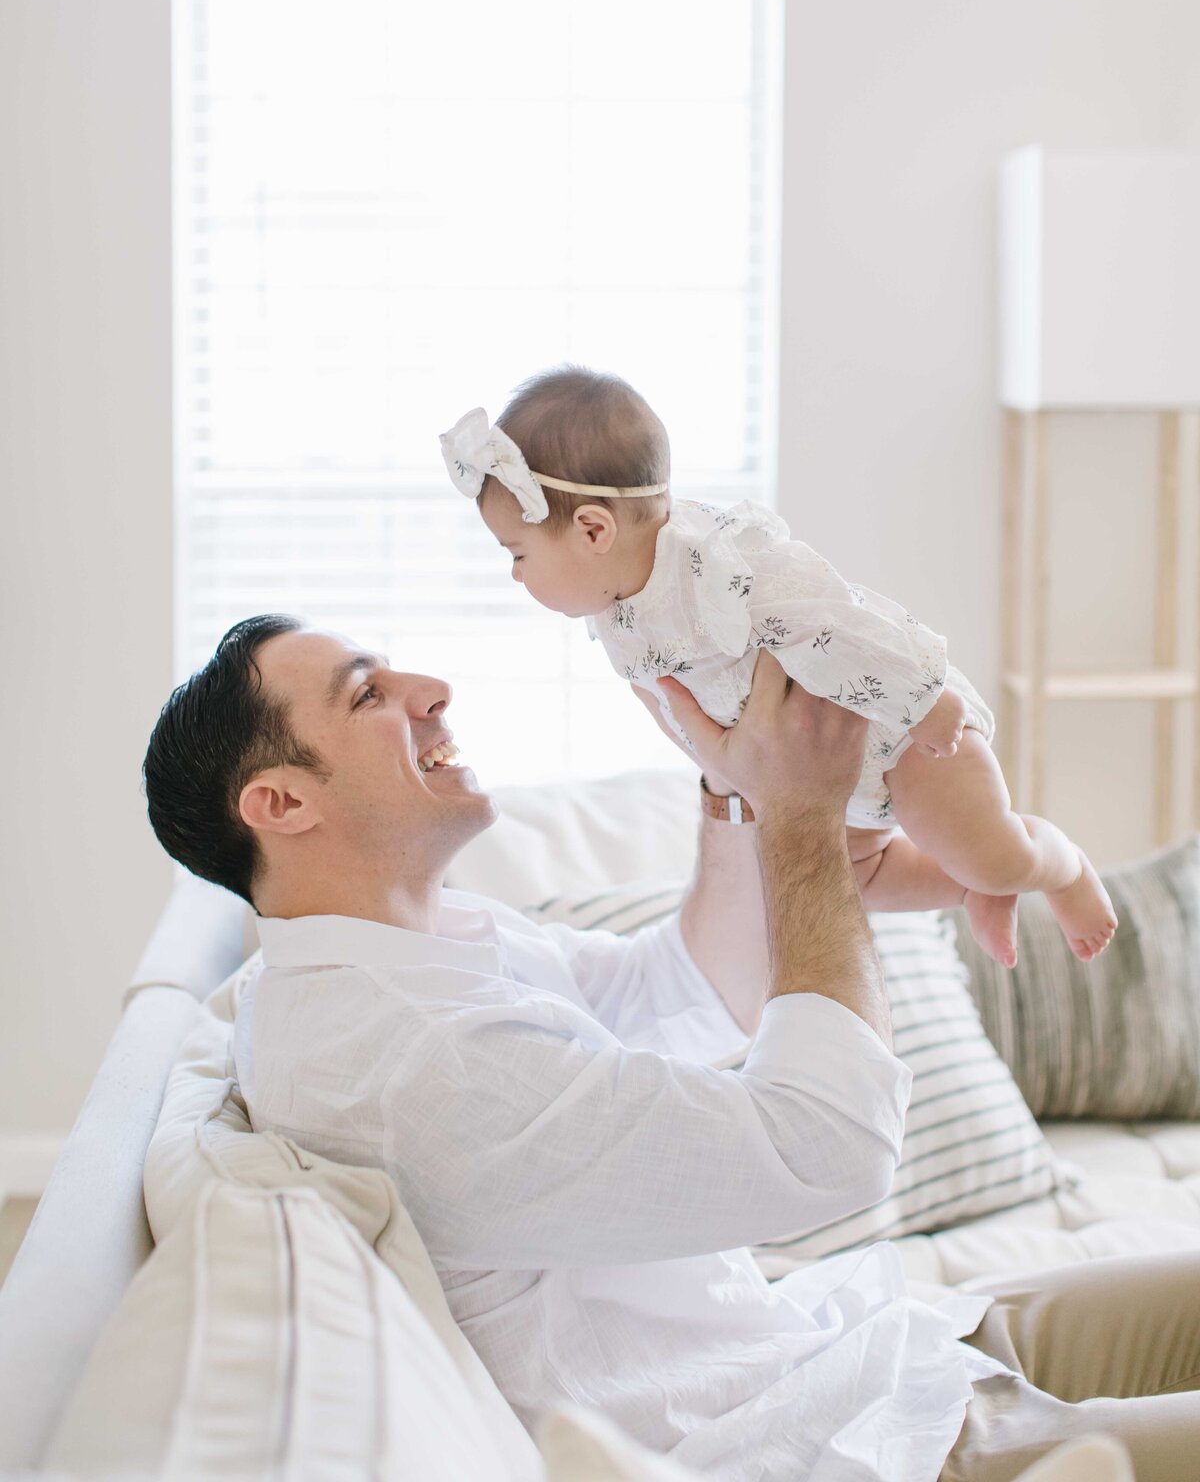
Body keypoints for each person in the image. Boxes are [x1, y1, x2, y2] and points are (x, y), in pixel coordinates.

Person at [143, 615, 1200, 1481]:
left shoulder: (414, 950)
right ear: (280, 805)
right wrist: (801, 822)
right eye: (367, 694)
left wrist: (730, 782)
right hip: (855, 1448)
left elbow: (680, 988)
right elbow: (829, 1148)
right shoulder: (408, 1059)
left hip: (852, 1350)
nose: (430, 688)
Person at [441, 367, 1118, 971]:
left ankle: (1057, 865)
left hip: (902, 735)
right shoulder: (613, 611)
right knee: (859, 879)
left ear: (593, 530)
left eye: (518, 552)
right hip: (831, 782)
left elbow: (835, 615)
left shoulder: (717, 566)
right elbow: (671, 704)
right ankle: (978, 886)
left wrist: (924, 697)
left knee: (991, 850)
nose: (513, 572)